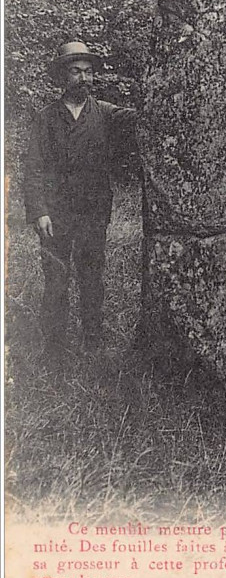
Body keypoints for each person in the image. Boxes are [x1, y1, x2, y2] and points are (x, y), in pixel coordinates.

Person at [24, 40, 137, 366]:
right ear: (62, 76)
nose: (84, 78)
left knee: (91, 278)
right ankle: (54, 348)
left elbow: (135, 120)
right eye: (76, 71)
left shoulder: (104, 113)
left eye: (88, 72)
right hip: (55, 216)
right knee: (56, 281)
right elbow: (33, 167)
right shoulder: (46, 119)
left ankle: (92, 342)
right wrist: (39, 211)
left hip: (92, 212)